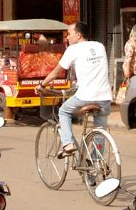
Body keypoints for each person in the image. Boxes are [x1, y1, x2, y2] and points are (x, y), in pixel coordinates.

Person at [43, 21, 112, 157]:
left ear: (79, 35)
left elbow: (56, 72)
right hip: (105, 98)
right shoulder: (100, 46)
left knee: (63, 111)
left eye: (69, 34)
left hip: (85, 97)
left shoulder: (73, 49)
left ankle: (68, 143)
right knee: (99, 134)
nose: (67, 38)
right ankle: (95, 167)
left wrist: (42, 85)